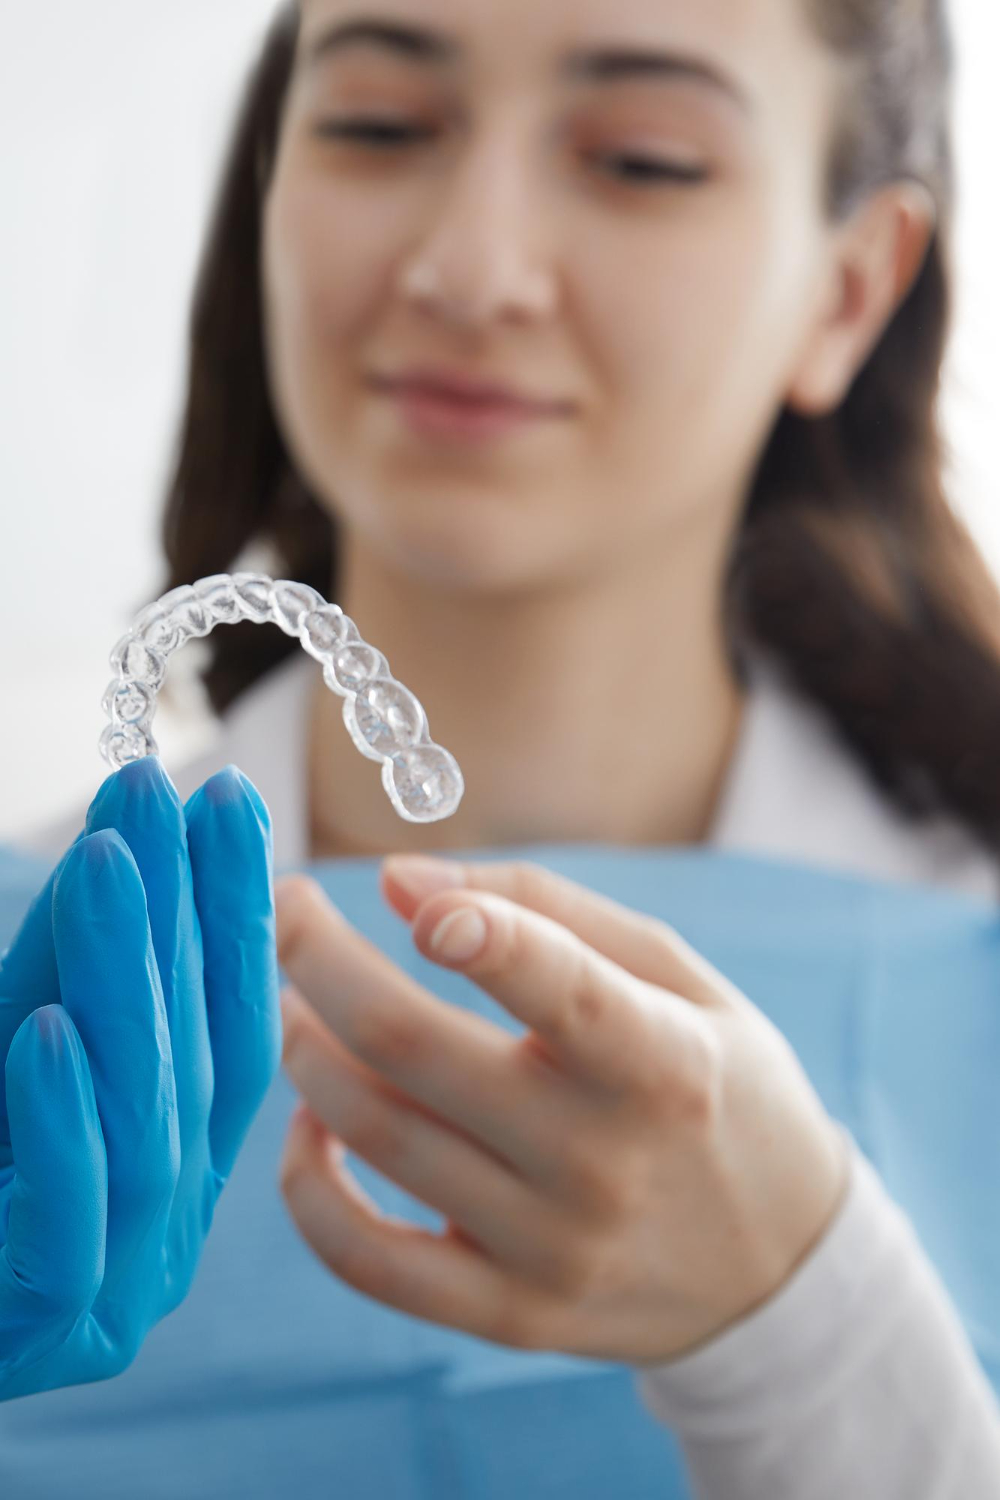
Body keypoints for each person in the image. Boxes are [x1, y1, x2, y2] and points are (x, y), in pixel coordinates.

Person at [8, 0, 1000, 1493]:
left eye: (643, 160)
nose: (468, 269)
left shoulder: (966, 965)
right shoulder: (41, 969)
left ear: (849, 293)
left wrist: (814, 1334)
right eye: (379, 126)